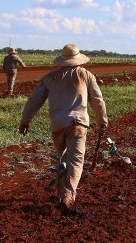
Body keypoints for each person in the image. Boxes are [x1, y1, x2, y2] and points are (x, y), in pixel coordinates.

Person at [19, 44, 108, 209]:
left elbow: (34, 100)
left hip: (58, 125)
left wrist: (25, 120)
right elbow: (97, 100)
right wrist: (102, 121)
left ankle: (61, 196)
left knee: (63, 160)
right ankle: (68, 195)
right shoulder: (86, 75)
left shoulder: (50, 78)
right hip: (78, 125)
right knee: (75, 161)